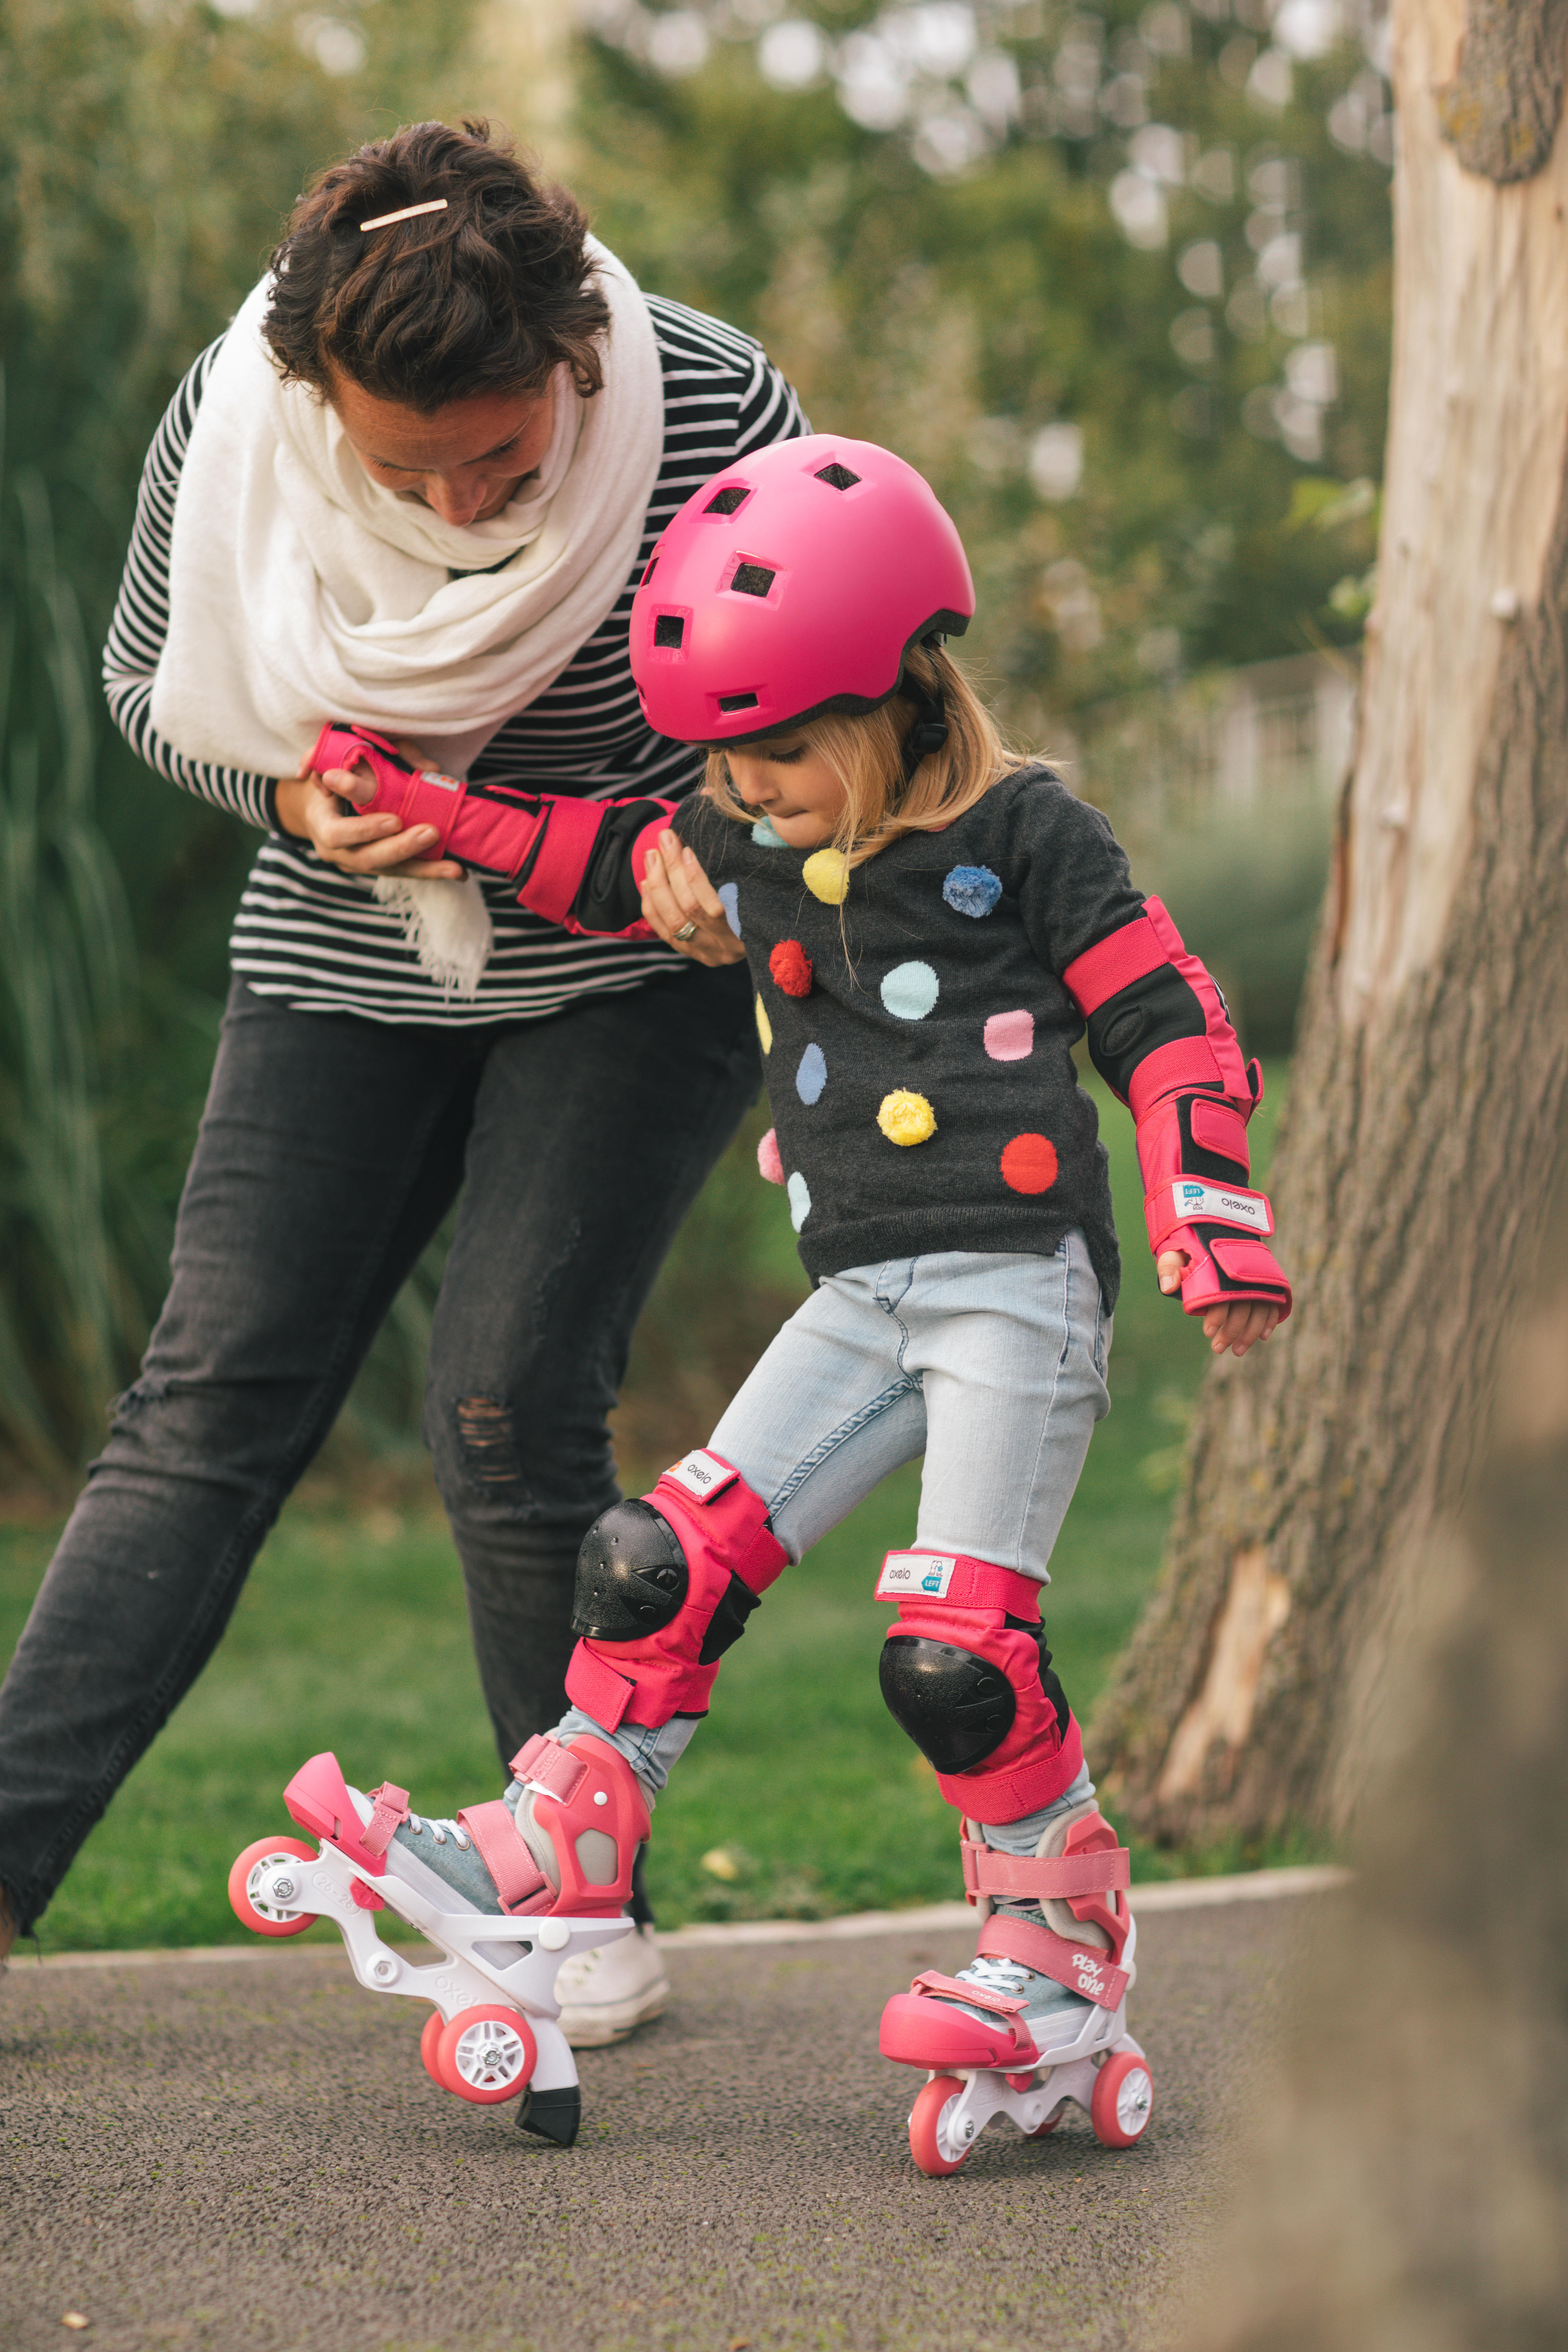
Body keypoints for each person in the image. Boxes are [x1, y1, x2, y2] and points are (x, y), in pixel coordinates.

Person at [290, 433, 1292, 2151]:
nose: (745, 790)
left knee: (952, 1658)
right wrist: (437, 813)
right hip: (859, 1298)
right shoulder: (741, 838)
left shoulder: (1029, 832)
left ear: (900, 693)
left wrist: (1205, 1200)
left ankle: (1056, 1953)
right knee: (649, 1566)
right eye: (723, 761)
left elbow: (1164, 1008)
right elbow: (597, 858)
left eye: (774, 751)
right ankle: (561, 1853)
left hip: (1009, 1297)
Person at [0, 118, 808, 2049]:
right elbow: (151, 684)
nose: (457, 505)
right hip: (343, 956)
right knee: (204, 1413)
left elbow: (827, 697)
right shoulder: (240, 420)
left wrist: (726, 836)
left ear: (580, 364)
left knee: (508, 1403)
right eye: (406, 467)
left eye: (505, 459)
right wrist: (285, 791)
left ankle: (568, 1898)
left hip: (632, 959)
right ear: (315, 399)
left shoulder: (710, 405)